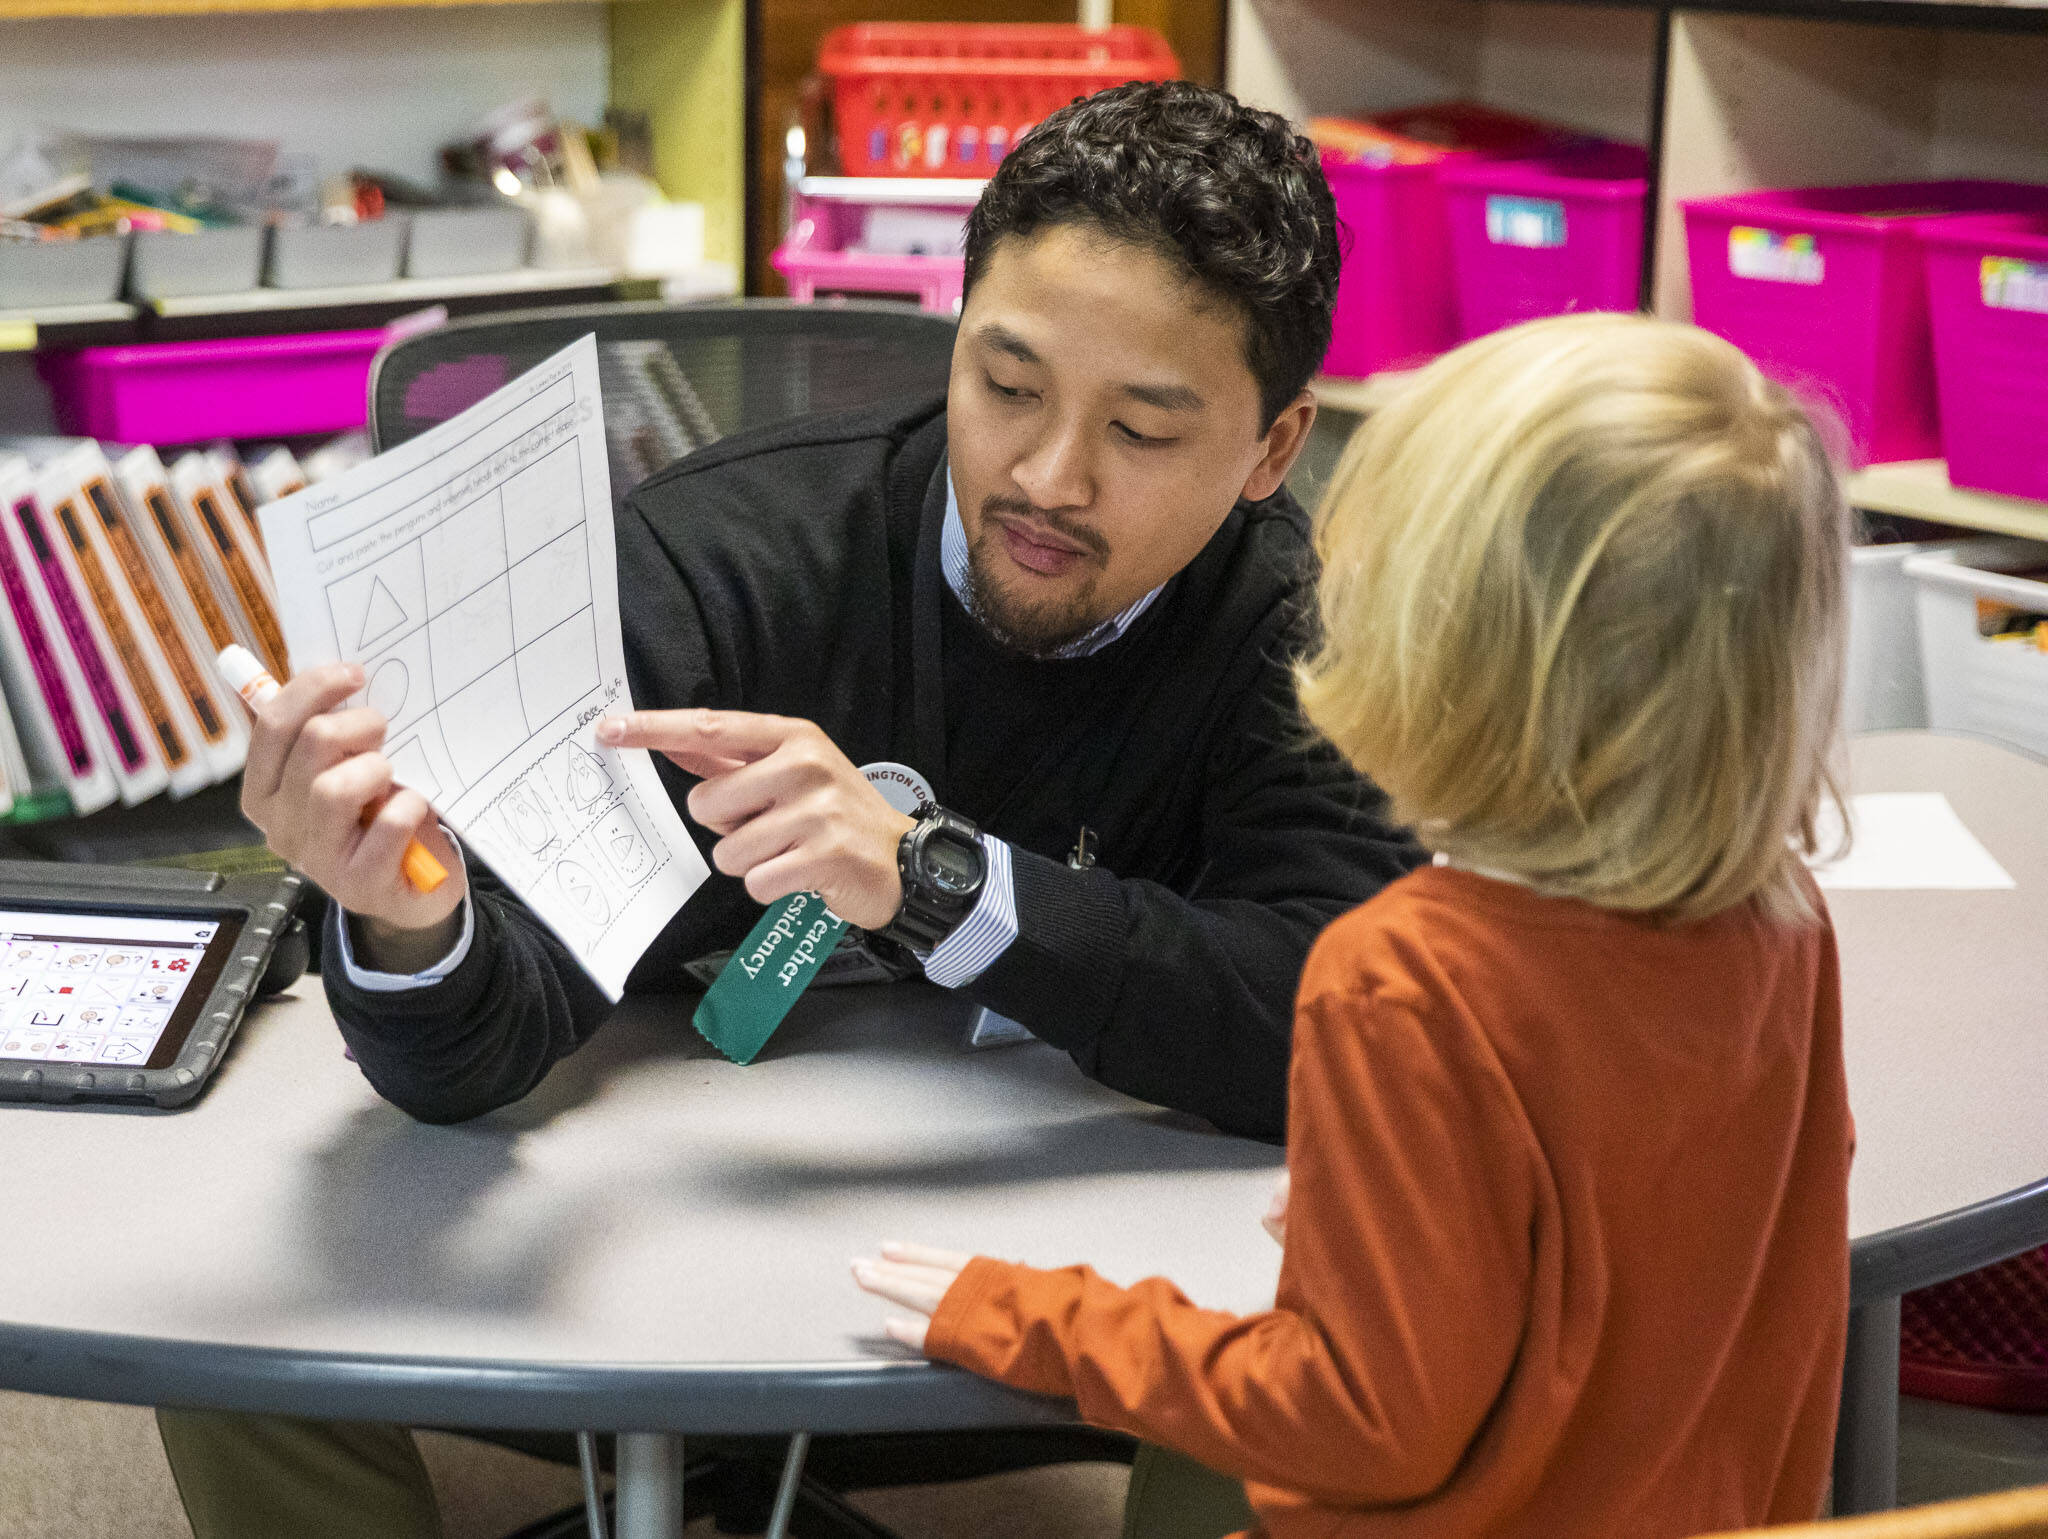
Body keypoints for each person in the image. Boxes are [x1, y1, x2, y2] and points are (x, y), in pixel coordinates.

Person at [156, 82, 1424, 1538]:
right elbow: (476, 1050)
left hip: (1058, 1253)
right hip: (676, 1201)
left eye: (1143, 429)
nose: (1045, 474)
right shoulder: (725, 567)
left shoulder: (1309, 635)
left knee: (1342, 1319)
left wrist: (937, 879)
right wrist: (409, 912)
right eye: (1005, 385)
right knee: (217, 1299)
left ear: (1272, 452)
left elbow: (1338, 1039)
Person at [855, 312, 1859, 1539]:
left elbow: (1359, 1421)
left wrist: (1045, 1322)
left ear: (1443, 652)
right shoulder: (1777, 919)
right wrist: (1403, 1206)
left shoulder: (1403, 979)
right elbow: (1673, 1247)